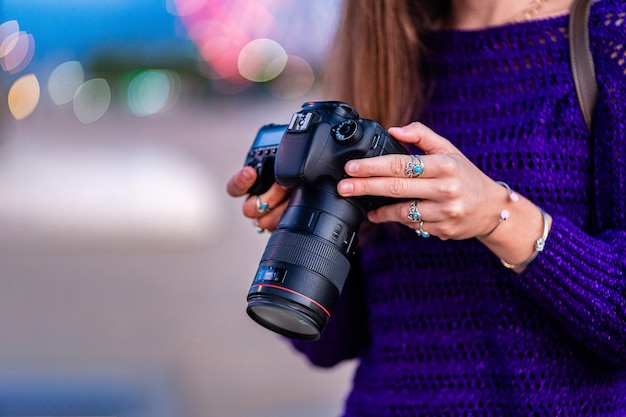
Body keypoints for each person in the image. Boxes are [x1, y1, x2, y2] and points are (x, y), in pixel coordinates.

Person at [227, 0, 626, 415]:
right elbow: (333, 344)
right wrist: (301, 221)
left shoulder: (609, 36)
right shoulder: (384, 45)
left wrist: (498, 216)